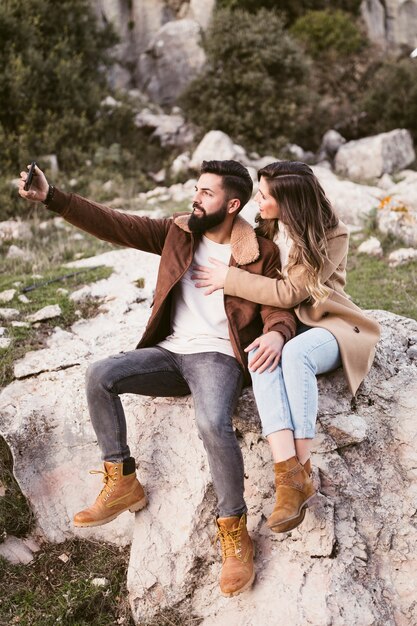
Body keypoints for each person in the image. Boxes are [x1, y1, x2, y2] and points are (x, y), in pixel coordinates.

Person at [18, 159, 297, 597]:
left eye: (207, 193)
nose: (196, 198)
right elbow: (116, 224)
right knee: (100, 375)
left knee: (211, 423)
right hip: (170, 351)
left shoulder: (260, 253)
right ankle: (122, 479)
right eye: (197, 189)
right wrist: (54, 197)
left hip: (218, 357)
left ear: (232, 204)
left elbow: (276, 307)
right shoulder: (179, 232)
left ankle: (234, 533)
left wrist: (279, 334)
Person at [192, 161, 381, 534]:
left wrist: (231, 279)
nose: (256, 201)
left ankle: (301, 471)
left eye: (264, 196)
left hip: (332, 326)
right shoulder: (263, 228)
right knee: (262, 355)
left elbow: (291, 292)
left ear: (288, 202)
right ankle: (287, 474)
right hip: (286, 327)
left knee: (295, 354)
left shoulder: (332, 233)